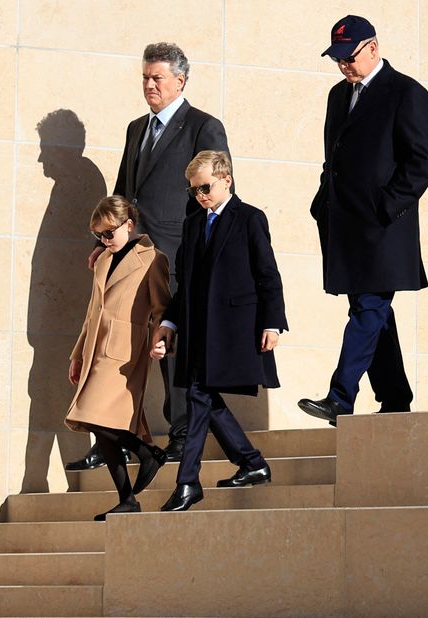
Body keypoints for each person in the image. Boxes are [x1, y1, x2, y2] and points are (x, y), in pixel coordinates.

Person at [67, 42, 229, 471]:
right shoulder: (136, 128)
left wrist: (205, 253)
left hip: (175, 256)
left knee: (168, 344)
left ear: (181, 80)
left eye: (157, 77)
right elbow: (123, 192)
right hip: (132, 256)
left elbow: (215, 195)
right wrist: (102, 242)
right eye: (145, 77)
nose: (150, 85)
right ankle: (113, 435)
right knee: (119, 347)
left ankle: (179, 433)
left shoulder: (203, 127)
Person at [298, 14, 428, 426]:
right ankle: (395, 397)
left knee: (368, 308)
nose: (343, 65)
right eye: (337, 58)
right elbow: (334, 159)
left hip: (382, 229)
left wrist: (386, 206)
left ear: (373, 48)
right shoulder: (338, 96)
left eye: (350, 56)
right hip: (344, 226)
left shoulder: (406, 93)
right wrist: (322, 202)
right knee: (373, 311)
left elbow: (423, 160)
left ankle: (340, 396)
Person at [152, 150, 288, 512]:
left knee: (199, 396)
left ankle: (187, 483)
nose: (200, 195)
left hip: (233, 329)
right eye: (193, 190)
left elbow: (267, 274)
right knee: (204, 398)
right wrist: (169, 323)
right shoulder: (194, 224)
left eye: (205, 187)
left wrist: (273, 323)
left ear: (226, 178)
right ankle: (252, 463)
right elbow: (186, 283)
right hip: (198, 331)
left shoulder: (250, 218)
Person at [66, 196, 171, 520]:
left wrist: (162, 340)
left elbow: (162, 307)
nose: (105, 240)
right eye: (99, 235)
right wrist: (77, 354)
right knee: (98, 423)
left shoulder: (152, 259)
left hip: (124, 351)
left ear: (129, 224)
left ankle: (148, 453)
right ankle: (128, 497)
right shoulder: (102, 260)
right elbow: (91, 312)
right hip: (96, 349)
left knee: (95, 415)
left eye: (109, 233)